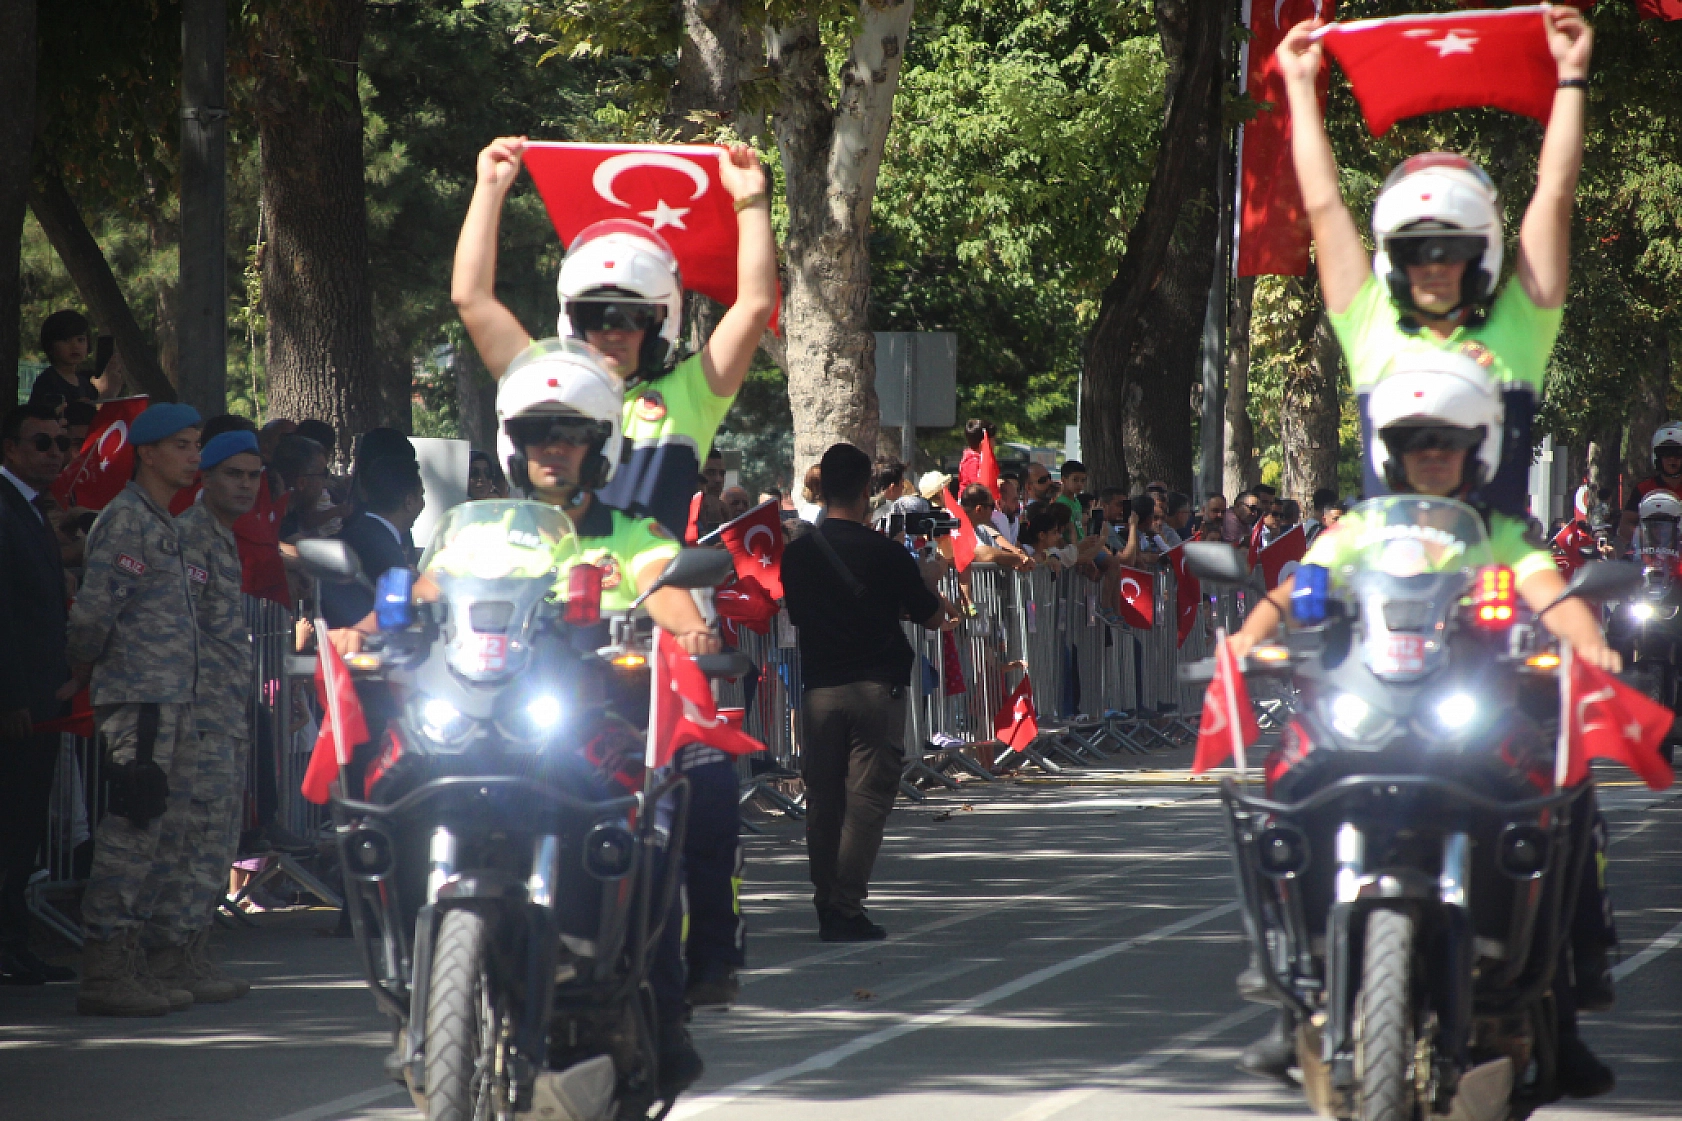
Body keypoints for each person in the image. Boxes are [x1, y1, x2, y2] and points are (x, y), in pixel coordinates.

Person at [1223, 351, 1618, 1096]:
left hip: (1474, 713)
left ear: (1473, 451)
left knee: (1568, 797)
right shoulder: (1359, 528)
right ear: (1395, 455)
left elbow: (1548, 589)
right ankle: (1286, 990)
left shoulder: (1499, 530)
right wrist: (1249, 637)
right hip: (1365, 707)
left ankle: (1567, 1004)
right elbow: (1298, 584)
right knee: (1278, 786)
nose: (1431, 455)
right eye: (1415, 443)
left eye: (1446, 442)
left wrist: (1585, 636)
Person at [485, 339, 719, 1091]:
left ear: (599, 447)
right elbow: (424, 597)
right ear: (513, 442)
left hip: (594, 741)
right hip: (486, 738)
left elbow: (665, 587)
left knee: (656, 840)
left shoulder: (629, 534)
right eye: (536, 433)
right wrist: (373, 626)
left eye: (572, 434)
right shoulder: (481, 530)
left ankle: (668, 1008)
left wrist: (691, 629)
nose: (552, 448)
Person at [1277, 8, 1592, 515]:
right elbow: (1322, 202)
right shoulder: (1369, 328)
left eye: (1455, 251)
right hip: (1384, 566)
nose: (1435, 266)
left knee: (1577, 602)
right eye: (1415, 252)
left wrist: (1571, 76)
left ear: (1483, 255)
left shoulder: (1519, 331)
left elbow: (1554, 194)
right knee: (1278, 596)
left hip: (1504, 563)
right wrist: (1299, 84)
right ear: (1392, 260)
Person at [451, 136, 776, 536]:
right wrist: (489, 189)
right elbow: (472, 299)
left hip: (654, 594)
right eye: (594, 314)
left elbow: (755, 304)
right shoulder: (541, 379)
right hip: (542, 593)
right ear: (572, 318)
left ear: (660, 325)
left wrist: (751, 201)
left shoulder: (691, 395)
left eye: (633, 317)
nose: (612, 331)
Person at [782, 443, 957, 942]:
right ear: (866, 492)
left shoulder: (797, 554)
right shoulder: (886, 552)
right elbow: (928, 614)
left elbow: (801, 616)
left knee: (823, 799)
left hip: (819, 687)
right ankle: (846, 906)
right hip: (876, 687)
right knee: (865, 801)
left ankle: (825, 900)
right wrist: (926, 578)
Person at [64, 403, 207, 1017]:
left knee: (158, 835)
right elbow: (94, 614)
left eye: (196, 444)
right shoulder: (127, 521)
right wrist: (78, 672)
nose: (193, 456)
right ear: (147, 453)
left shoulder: (162, 522)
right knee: (133, 828)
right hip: (140, 695)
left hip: (169, 694)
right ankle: (104, 970)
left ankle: (134, 963)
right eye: (181, 445)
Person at [155, 431, 265, 1003]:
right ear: (207, 476)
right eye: (233, 474)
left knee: (218, 837)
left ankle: (192, 953)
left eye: (253, 476)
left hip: (224, 711)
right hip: (198, 714)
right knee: (195, 837)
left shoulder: (222, 537)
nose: (245, 485)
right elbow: (180, 627)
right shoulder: (191, 536)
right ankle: (170, 959)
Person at [0, 404, 77, 984]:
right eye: (41, 442)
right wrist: (12, 696)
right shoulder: (5, 511)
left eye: (61, 444)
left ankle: (14, 940)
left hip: (44, 697)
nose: (55, 452)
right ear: (10, 449)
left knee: (24, 826)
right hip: (18, 702)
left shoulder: (28, 511)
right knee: (10, 824)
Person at [1617, 424, 1682, 553]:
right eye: (1666, 455)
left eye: (1678, 455)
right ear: (1657, 458)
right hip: (1650, 556)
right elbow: (1625, 525)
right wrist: (1647, 536)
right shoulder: (1643, 489)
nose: (1672, 460)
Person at [28, 310, 99, 410]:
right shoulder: (47, 382)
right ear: (50, 345)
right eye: (66, 340)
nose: (75, 346)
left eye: (80, 340)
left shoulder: (84, 383)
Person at [1053, 460, 1088, 539]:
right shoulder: (1061, 503)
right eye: (1075, 480)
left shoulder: (1076, 501)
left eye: (1083, 480)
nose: (1080, 484)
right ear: (1064, 480)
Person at [957, 419, 993, 490]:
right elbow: (978, 488)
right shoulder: (973, 461)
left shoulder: (975, 459)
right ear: (983, 443)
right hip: (971, 500)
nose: (995, 444)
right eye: (993, 440)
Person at [992, 474, 1023, 545]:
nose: (1017, 504)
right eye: (1014, 500)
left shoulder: (1014, 519)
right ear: (999, 502)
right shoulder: (996, 519)